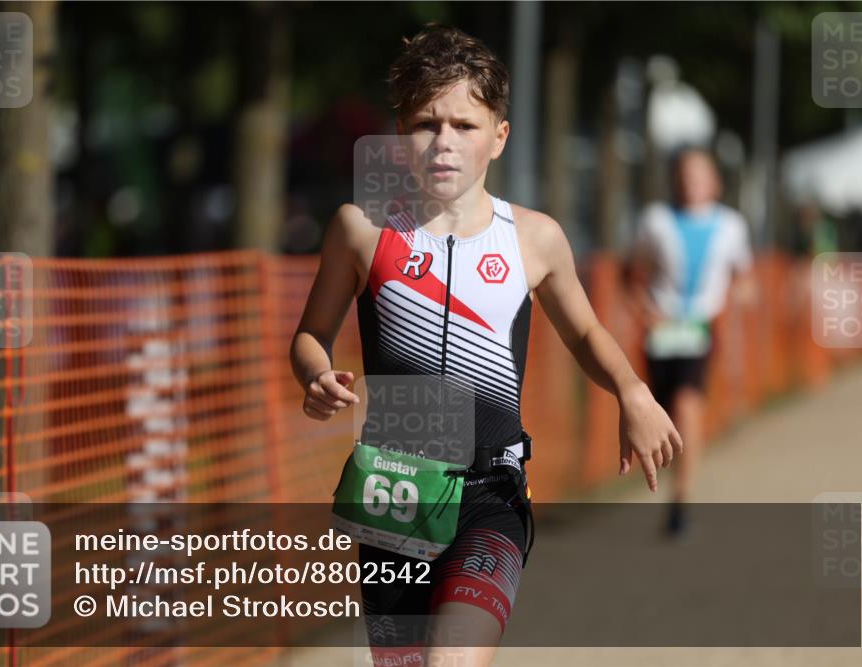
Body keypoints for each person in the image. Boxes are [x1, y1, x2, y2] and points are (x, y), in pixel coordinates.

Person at [290, 23, 681, 667]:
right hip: (395, 492)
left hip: (491, 492)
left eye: (464, 126)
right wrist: (315, 374)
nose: (443, 142)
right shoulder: (361, 228)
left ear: (498, 135)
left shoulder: (534, 238)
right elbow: (311, 334)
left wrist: (632, 393)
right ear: (400, 132)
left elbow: (583, 331)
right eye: (425, 123)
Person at [629, 148, 756, 536]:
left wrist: (735, 303)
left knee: (687, 404)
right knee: (665, 414)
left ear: (715, 181)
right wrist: (647, 311)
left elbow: (746, 280)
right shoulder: (655, 221)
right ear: (674, 180)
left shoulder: (732, 225)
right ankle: (669, 481)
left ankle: (681, 500)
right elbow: (633, 274)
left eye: (700, 175)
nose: (691, 182)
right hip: (661, 336)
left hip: (702, 332)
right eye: (685, 175)